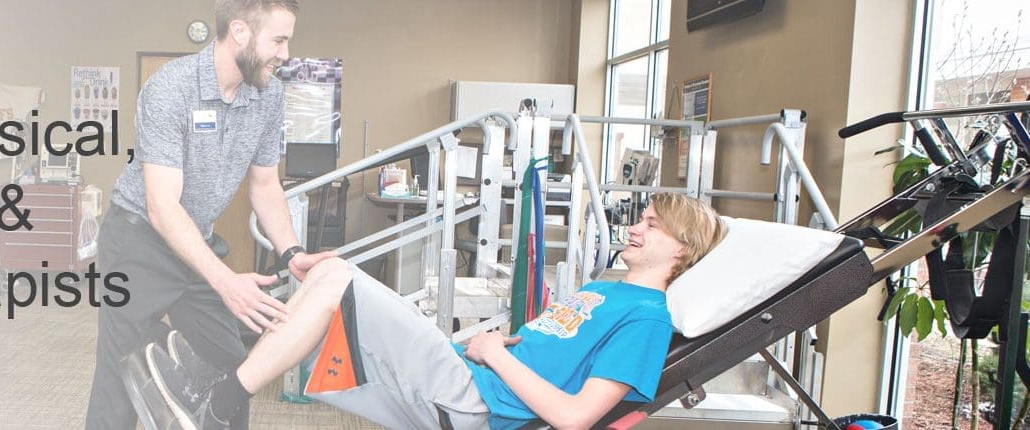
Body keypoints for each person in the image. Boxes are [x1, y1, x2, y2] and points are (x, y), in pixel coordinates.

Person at [142, 193, 727, 430]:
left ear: (682, 249)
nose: (636, 226)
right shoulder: (609, 287)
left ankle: (221, 395)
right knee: (330, 284)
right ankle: (221, 375)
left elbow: (577, 418)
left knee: (340, 275)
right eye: (641, 217)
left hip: (476, 400)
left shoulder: (648, 318)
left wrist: (496, 352)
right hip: (466, 369)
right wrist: (494, 346)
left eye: (652, 225)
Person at [84, 1, 335, 429]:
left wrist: (291, 251)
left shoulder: (268, 95)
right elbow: (161, 208)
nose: (286, 54)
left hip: (194, 240)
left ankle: (169, 361)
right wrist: (226, 283)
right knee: (119, 371)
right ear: (239, 31)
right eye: (278, 40)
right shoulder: (170, 88)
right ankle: (151, 352)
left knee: (233, 362)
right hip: (137, 241)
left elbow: (265, 184)